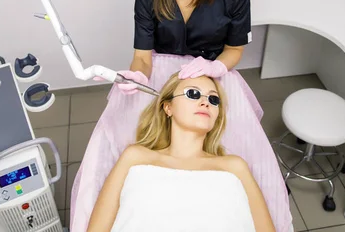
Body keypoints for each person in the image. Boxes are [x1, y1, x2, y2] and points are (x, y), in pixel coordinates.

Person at [70, 0, 292, 231]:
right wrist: (137, 75)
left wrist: (216, 68)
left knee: (234, 143)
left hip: (214, 73)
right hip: (160, 75)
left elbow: (234, 51)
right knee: (129, 136)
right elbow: (142, 56)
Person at [86, 73, 276, 232]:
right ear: (168, 107)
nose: (205, 102)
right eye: (193, 93)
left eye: (213, 99)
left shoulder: (235, 166)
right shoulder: (135, 156)